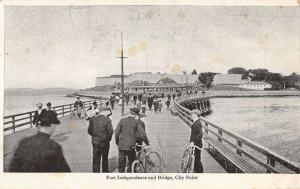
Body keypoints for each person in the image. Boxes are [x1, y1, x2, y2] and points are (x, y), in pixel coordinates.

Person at [9, 102, 70, 172]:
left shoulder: (23, 142)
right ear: (53, 125)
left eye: (40, 106)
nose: (39, 107)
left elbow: (12, 169)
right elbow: (65, 172)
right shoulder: (55, 147)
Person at [115, 107, 149, 173]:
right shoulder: (138, 122)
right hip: (132, 145)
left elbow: (117, 132)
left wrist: (117, 142)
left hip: (122, 145)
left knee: (121, 163)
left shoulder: (122, 120)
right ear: (137, 114)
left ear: (130, 113)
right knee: (131, 162)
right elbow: (143, 134)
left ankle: (120, 176)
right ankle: (129, 175)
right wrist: (147, 143)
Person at [88, 108, 113, 173]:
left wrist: (95, 136)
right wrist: (108, 139)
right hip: (105, 142)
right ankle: (105, 171)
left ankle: (96, 172)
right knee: (105, 157)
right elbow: (110, 131)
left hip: (95, 142)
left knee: (96, 158)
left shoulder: (92, 119)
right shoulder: (107, 120)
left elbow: (89, 131)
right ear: (105, 112)